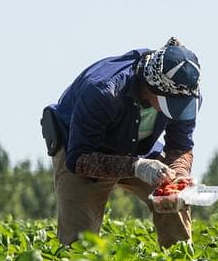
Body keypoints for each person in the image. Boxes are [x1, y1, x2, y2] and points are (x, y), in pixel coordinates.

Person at [41, 37, 202, 247]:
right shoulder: (103, 91)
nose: (177, 109)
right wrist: (135, 167)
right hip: (83, 148)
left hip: (139, 145)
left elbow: (179, 146)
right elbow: (79, 160)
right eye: (170, 103)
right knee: (79, 242)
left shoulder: (184, 91)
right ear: (150, 87)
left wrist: (180, 174)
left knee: (174, 198)